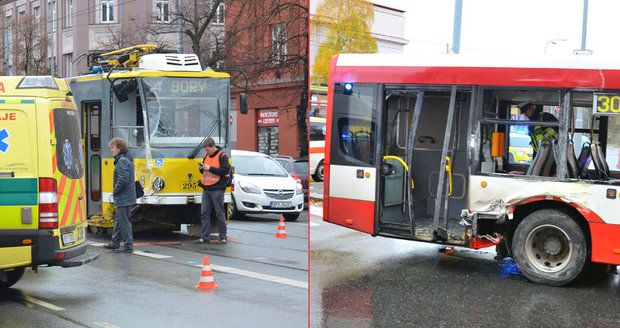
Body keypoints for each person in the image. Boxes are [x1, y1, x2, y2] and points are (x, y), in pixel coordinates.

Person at [195, 137, 231, 245]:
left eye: (207, 149)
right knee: (204, 213)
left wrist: (209, 168)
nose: (206, 152)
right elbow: (204, 171)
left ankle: (223, 237)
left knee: (219, 214)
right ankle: (205, 237)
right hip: (206, 189)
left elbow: (225, 171)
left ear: (212, 146)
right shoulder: (206, 156)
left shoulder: (222, 156)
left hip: (217, 190)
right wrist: (201, 168)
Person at [104, 137, 136, 253]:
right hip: (126, 196)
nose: (111, 150)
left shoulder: (122, 160)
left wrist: (115, 191)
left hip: (124, 197)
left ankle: (128, 246)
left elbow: (123, 179)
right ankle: (115, 242)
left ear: (119, 148)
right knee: (119, 220)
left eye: (113, 148)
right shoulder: (126, 159)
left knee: (124, 221)